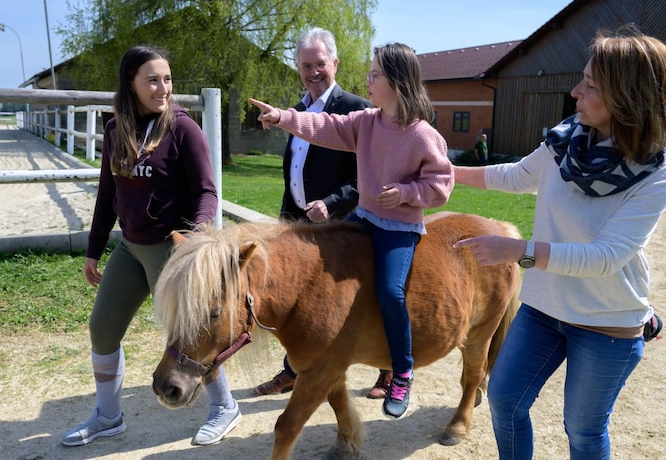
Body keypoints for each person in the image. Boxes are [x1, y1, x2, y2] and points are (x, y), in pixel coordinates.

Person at [452, 27, 666, 459]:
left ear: (631, 97)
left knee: (582, 431)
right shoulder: (567, 140)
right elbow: (519, 175)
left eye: (592, 85)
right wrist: (449, 174)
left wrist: (519, 250)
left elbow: (606, 257)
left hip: (607, 323)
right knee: (505, 401)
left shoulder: (660, 172)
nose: (576, 91)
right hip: (544, 309)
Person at [250, 42, 454, 419]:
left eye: (374, 75)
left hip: (398, 226)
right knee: (319, 277)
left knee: (391, 293)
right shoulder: (366, 121)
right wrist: (282, 117)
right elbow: (323, 125)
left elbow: (442, 186)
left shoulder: (423, 135)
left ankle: (402, 372)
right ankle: (313, 357)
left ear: (395, 82)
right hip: (363, 218)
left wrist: (408, 193)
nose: (367, 80)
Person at [61, 45, 241, 448]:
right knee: (102, 329)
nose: (163, 88)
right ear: (131, 83)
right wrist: (94, 249)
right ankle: (108, 416)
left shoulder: (182, 128)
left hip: (172, 249)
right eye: (153, 80)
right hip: (131, 247)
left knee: (191, 333)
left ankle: (224, 407)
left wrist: (196, 238)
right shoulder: (114, 131)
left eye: (168, 79)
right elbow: (108, 195)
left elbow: (207, 191)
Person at [253, 27, 392, 401]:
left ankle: (389, 370)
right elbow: (295, 170)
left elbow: (370, 175)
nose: (313, 72)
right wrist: (286, 219)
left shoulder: (357, 108)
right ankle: (293, 370)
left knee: (366, 297)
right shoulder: (296, 110)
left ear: (335, 63)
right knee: (297, 303)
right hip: (301, 228)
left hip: (345, 225)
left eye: (319, 64)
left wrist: (333, 203)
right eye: (305, 65)